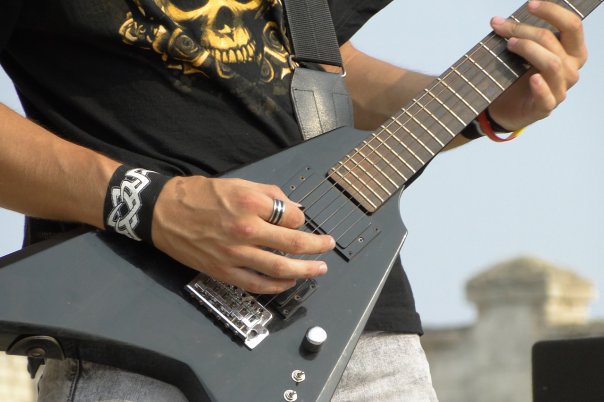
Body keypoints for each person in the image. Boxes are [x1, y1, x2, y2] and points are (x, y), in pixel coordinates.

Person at [0, 0, 587, 401]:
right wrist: (153, 204)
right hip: (137, 336)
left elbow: (317, 73)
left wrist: (483, 108)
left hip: (362, 335)